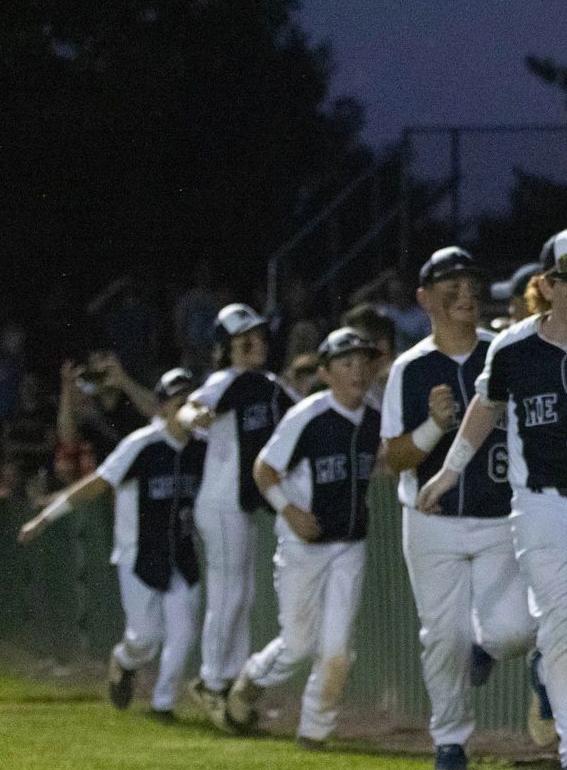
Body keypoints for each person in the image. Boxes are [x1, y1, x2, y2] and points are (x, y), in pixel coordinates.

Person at [423, 231, 567, 770]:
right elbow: (486, 405)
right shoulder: (514, 348)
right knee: (566, 631)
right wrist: (450, 469)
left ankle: (511, 657)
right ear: (547, 285)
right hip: (543, 505)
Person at [380, 247, 525, 770]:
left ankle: (483, 650)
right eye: (451, 284)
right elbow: (393, 457)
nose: (465, 293)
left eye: (470, 283)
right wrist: (432, 428)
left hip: (500, 516)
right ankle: (450, 742)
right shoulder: (410, 367)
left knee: (511, 630)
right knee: (442, 638)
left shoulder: (503, 351)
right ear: (424, 299)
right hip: (431, 519)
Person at [222, 328, 383, 747]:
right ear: (326, 373)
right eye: (347, 364)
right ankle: (253, 678)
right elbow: (264, 470)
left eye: (364, 362)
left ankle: (315, 731)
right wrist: (288, 510)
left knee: (337, 650)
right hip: (303, 546)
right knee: (296, 647)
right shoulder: (307, 416)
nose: (358, 371)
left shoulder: (374, 418)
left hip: (349, 544)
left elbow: (383, 463)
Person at [20, 368, 206, 719]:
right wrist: (45, 518)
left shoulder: (202, 448)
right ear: (162, 407)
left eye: (192, 399)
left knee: (182, 634)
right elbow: (96, 484)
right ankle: (123, 660)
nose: (188, 407)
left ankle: (162, 705)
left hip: (181, 552)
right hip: (138, 554)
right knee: (145, 640)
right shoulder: (142, 445)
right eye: (180, 400)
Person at [179, 304, 294, 724]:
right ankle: (212, 682)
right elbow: (189, 408)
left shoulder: (266, 384)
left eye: (259, 337)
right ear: (226, 347)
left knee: (240, 597)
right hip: (221, 501)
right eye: (245, 339)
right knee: (229, 596)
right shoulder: (225, 381)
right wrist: (197, 416)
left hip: (238, 503)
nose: (256, 344)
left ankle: (229, 682)